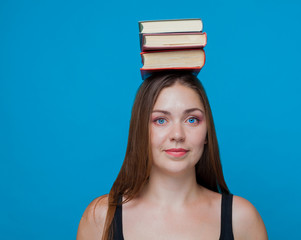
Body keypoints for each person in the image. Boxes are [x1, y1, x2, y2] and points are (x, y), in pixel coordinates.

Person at [77, 72, 268, 240]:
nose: (177, 134)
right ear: (140, 131)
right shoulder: (101, 218)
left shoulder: (242, 218)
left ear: (207, 133)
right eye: (161, 120)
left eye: (192, 120)